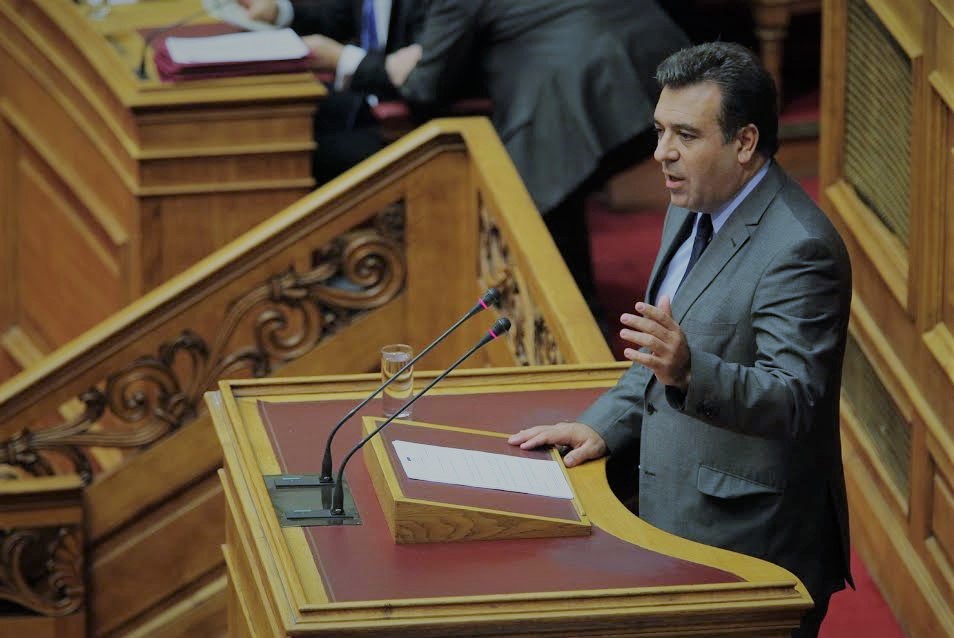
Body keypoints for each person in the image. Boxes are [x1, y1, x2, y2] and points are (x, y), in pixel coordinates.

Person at [508, 42, 853, 638]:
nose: (661, 152)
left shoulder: (799, 249)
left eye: (685, 135)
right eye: (660, 130)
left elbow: (795, 399)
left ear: (745, 142)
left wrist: (692, 372)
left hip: (748, 546)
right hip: (666, 515)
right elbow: (657, 351)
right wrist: (603, 425)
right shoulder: (689, 204)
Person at [387, 0, 689, 315]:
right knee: (561, 189)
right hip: (658, 52)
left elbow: (425, 88)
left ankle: (575, 326)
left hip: (580, 81)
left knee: (533, 207)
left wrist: (394, 66)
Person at [239, 0, 427, 182]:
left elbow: (424, 84)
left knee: (286, 157)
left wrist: (341, 59)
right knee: (274, 126)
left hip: (411, 127)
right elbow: (336, 17)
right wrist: (278, 11)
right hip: (366, 99)